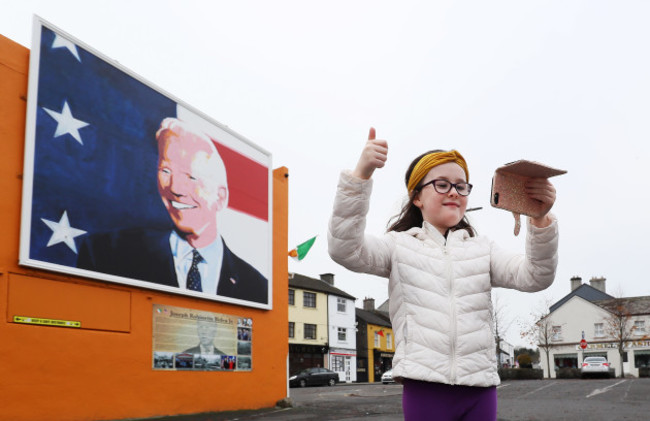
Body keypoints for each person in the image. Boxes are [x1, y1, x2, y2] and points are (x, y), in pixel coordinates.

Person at [327, 128, 559, 421]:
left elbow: (536, 275)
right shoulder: (398, 246)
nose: (454, 191)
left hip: (479, 388)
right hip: (425, 387)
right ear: (417, 197)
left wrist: (540, 220)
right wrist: (361, 174)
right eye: (442, 184)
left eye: (462, 186)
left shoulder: (483, 250)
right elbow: (344, 248)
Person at [77, 117, 268, 304]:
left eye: (192, 177)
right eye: (166, 171)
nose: (175, 188)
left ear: (220, 197)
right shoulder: (106, 254)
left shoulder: (257, 288)